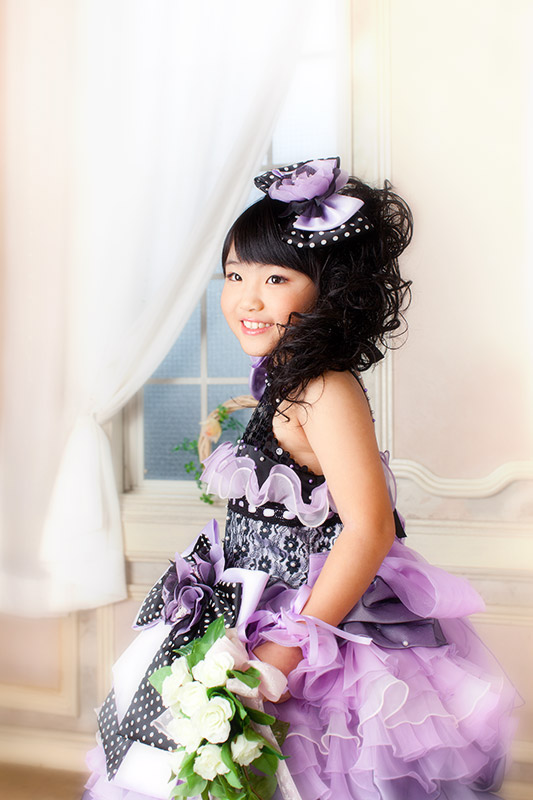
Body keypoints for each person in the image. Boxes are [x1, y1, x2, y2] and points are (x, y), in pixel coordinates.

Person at [82, 158, 517, 800]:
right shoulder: (285, 376)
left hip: (303, 620)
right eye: (235, 275)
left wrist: (287, 650)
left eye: (276, 278)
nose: (247, 298)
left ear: (327, 289)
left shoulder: (325, 387)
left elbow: (369, 529)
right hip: (243, 603)